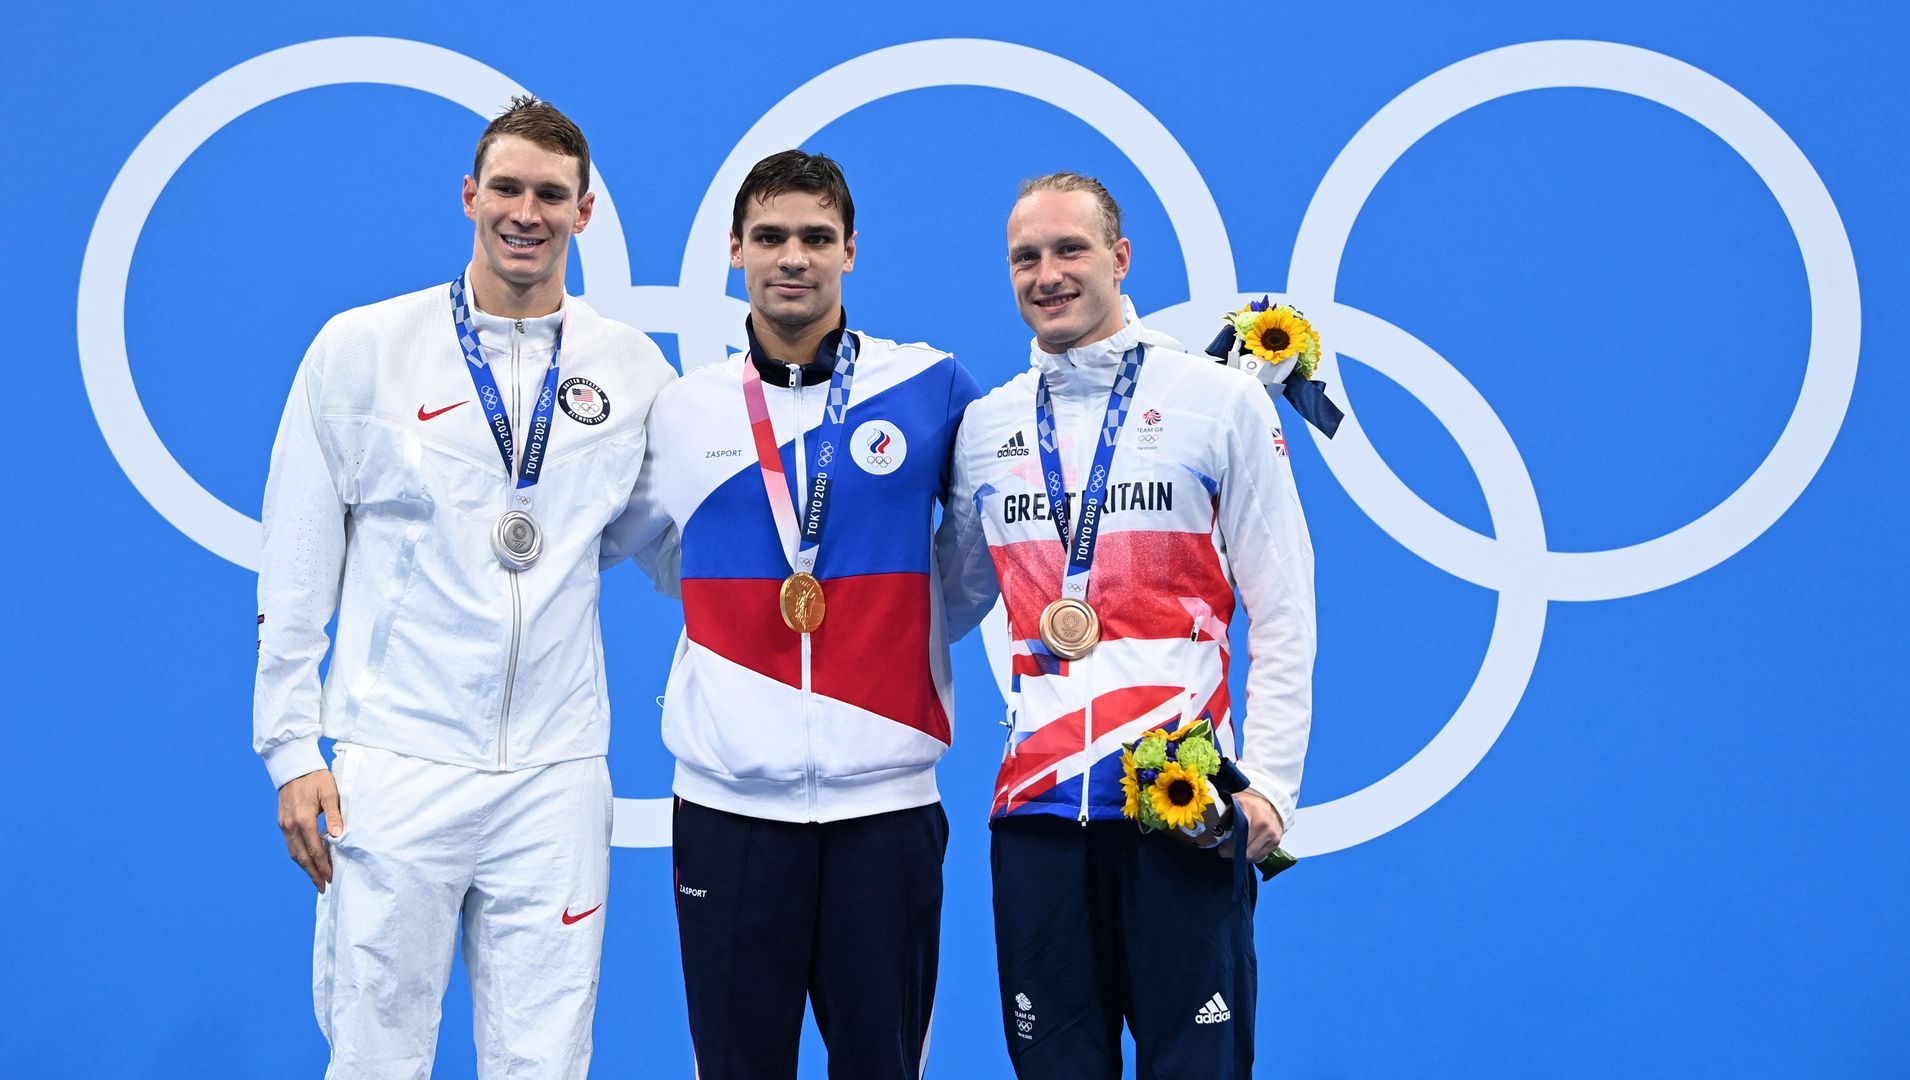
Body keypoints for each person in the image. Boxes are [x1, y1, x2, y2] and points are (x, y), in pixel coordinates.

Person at [254, 95, 675, 1078]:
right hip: (395, 761)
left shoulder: (632, 370)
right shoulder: (360, 352)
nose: (526, 213)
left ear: (586, 212)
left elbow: (676, 553)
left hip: (555, 774)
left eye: (551, 195)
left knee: (547, 1059)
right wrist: (288, 748)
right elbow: (298, 561)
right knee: (374, 1055)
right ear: (469, 196)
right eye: (508, 189)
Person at [601, 150, 982, 1079]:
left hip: (885, 809)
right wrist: (737, 634)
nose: (793, 258)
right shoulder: (684, 410)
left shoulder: (928, 387)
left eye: (817, 238)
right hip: (728, 812)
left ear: (851, 251)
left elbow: (975, 557)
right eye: (770, 237)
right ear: (735, 250)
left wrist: (908, 626)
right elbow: (653, 548)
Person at [938, 173, 1315, 1079]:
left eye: (1070, 250)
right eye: (1025, 258)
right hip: (1036, 809)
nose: (1048, 274)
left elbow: (1285, 605)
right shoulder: (986, 427)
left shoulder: (1217, 401)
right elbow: (943, 604)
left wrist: (1266, 785)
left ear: (1120, 256)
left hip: (1179, 804)